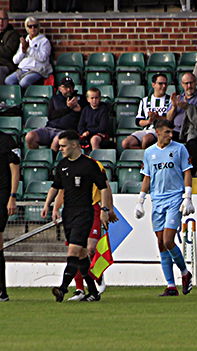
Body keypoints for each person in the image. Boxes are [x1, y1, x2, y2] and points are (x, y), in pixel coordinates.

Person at [41, 130, 115, 302]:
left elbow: (103, 187)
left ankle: (62, 288)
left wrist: (105, 210)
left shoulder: (90, 165)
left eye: (63, 146)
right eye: (59, 146)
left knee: (73, 250)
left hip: (84, 212)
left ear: (74, 144)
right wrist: (48, 205)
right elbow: (56, 186)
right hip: (69, 213)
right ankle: (94, 292)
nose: (60, 149)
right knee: (81, 255)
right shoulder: (62, 165)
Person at [134, 119, 194, 296]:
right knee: (160, 243)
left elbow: (187, 171)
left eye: (171, 131)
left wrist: (188, 197)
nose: (171, 134)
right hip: (157, 200)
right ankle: (170, 285)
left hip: (175, 198)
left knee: (168, 240)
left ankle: (185, 273)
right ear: (158, 132)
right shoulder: (149, 152)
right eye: (167, 131)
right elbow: (147, 177)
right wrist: (141, 200)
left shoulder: (179, 149)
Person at [52, 158, 115, 301]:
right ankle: (82, 289)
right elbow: (61, 190)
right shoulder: (65, 166)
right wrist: (55, 207)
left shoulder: (93, 165)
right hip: (72, 211)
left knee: (89, 248)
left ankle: (69, 286)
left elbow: (105, 186)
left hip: (91, 208)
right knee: (80, 252)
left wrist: (108, 209)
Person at [25, 77, 87, 152]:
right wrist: (67, 108)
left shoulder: (81, 99)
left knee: (56, 141)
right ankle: (35, 160)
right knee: (30, 136)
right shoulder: (55, 99)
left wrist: (79, 109)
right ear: (60, 88)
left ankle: (51, 161)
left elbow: (86, 116)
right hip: (50, 129)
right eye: (66, 87)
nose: (68, 90)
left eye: (71, 87)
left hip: (66, 131)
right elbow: (51, 116)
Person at [168, 72, 197, 176]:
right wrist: (174, 106)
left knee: (193, 145)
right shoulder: (178, 98)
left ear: (196, 82)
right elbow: (168, 118)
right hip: (176, 131)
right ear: (182, 84)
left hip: (193, 131)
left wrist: (188, 107)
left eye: (191, 83)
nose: (189, 86)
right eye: (186, 83)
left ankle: (190, 175)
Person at [122, 73, 172, 150]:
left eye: (165, 84)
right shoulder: (144, 100)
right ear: (153, 85)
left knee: (146, 140)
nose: (164, 86)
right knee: (126, 143)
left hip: (161, 131)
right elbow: (138, 121)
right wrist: (149, 121)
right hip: (146, 129)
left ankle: (146, 159)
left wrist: (157, 117)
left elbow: (170, 120)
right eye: (160, 84)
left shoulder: (170, 100)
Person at [0, 130, 20, 302]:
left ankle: (2, 291)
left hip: (2, 195)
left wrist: (12, 197)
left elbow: (15, 170)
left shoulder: (7, 140)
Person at [5, 16, 52, 88]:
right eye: (30, 26)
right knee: (8, 80)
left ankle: (26, 96)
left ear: (38, 27)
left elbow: (43, 58)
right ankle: (18, 97)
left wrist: (29, 49)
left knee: (24, 82)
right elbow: (15, 60)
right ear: (27, 28)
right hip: (23, 69)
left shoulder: (44, 41)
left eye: (35, 26)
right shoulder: (25, 41)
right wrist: (23, 51)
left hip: (37, 70)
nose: (33, 28)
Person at [0, 10, 21, 84]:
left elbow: (7, 52)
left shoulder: (13, 34)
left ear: (8, 21)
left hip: (5, 65)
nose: (1, 22)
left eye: (3, 19)